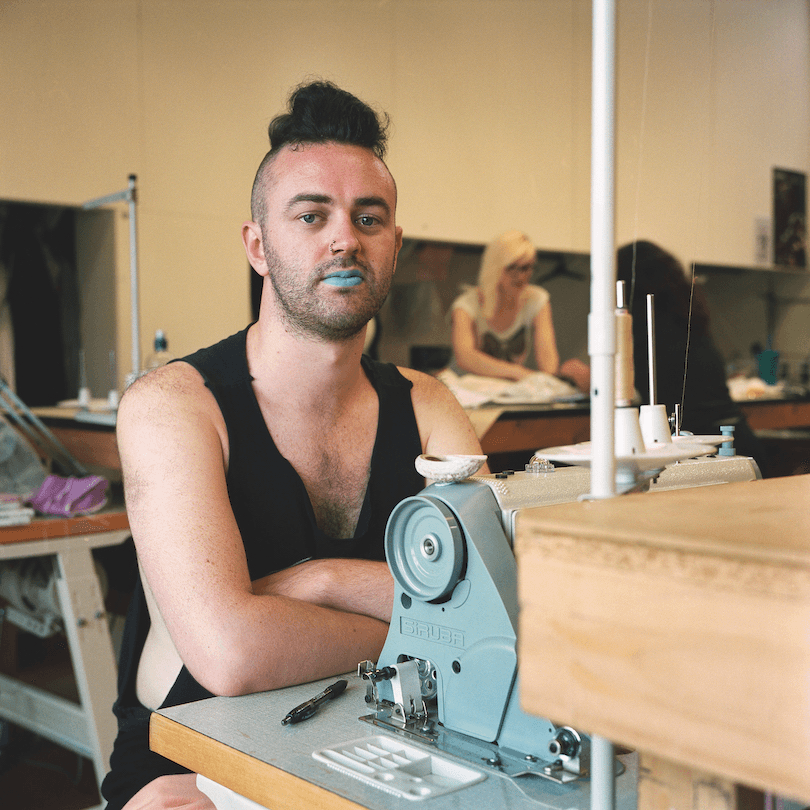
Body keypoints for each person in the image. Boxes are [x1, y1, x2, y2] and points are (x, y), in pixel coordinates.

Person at [101, 80, 487, 810]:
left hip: (381, 739)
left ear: (395, 245)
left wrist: (319, 582)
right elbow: (231, 655)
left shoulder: (427, 405)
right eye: (312, 216)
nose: (345, 239)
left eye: (368, 218)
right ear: (258, 245)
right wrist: (423, 631)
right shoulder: (174, 407)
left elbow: (484, 606)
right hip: (190, 756)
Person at [616, 239, 768, 473]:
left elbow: (617, 381)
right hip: (737, 443)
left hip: (699, 450)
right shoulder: (686, 315)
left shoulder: (639, 322)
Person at [449, 230, 589, 390]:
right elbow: (465, 358)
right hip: (465, 390)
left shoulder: (536, 300)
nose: (521, 276)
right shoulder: (467, 305)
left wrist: (552, 379)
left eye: (527, 267)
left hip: (504, 391)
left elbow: (548, 364)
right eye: (513, 267)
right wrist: (518, 372)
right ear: (495, 267)